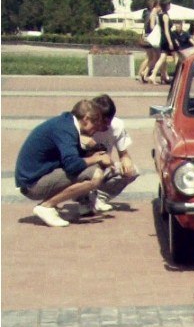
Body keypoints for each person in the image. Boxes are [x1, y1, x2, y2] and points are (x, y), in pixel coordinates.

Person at [14, 99, 111, 227]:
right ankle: (46, 206)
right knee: (95, 174)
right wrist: (96, 158)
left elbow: (71, 157)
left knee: (90, 166)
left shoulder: (65, 122)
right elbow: (72, 165)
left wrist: (93, 151)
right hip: (32, 184)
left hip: (32, 178)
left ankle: (81, 202)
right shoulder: (66, 130)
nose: (96, 130)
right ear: (86, 119)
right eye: (95, 124)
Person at [81, 94, 139, 213]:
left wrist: (126, 160)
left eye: (109, 121)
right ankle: (84, 200)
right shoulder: (83, 125)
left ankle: (100, 198)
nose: (106, 126)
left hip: (104, 167)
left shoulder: (117, 126)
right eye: (103, 121)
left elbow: (123, 153)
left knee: (132, 171)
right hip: (84, 167)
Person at [138, 0, 164, 83]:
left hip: (148, 36)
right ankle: (142, 73)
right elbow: (152, 26)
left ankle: (143, 74)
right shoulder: (153, 13)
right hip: (151, 37)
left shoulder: (147, 13)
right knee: (152, 58)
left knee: (151, 58)